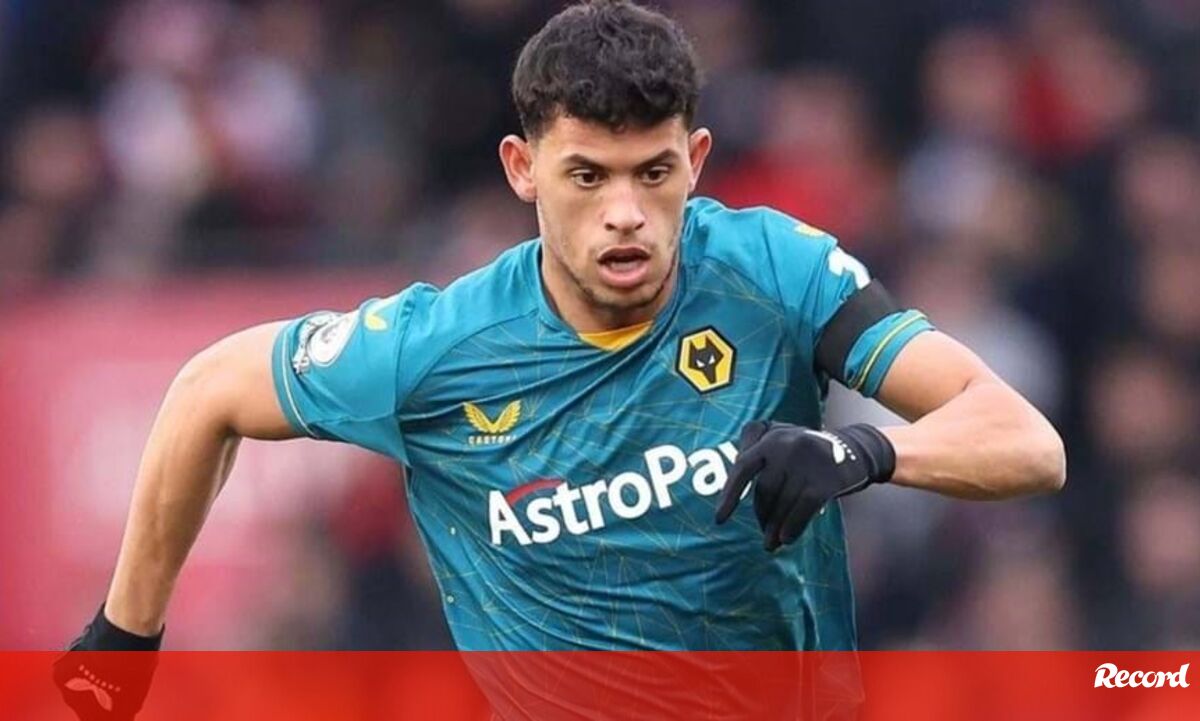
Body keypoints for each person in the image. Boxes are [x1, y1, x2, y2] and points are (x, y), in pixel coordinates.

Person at [54, 1, 1066, 719]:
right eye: (587, 176)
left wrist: (863, 454)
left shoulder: (773, 271)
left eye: (653, 172)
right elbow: (209, 391)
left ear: (695, 161)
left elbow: (1026, 441)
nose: (625, 212)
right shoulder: (438, 349)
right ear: (522, 168)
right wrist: (122, 640)